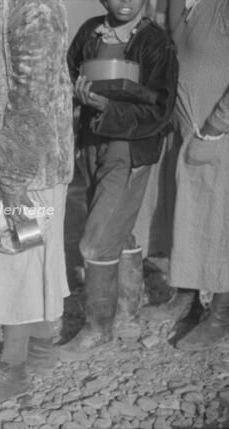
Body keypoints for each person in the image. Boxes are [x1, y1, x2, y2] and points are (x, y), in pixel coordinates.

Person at [0, 0, 73, 403]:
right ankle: (39, 347)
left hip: (20, 171)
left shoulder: (33, 7)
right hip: (7, 166)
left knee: (15, 268)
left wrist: (15, 178)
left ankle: (13, 368)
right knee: (26, 262)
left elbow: (32, 95)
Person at [58, 0, 178, 360]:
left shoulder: (156, 43)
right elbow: (64, 76)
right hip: (93, 141)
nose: (124, 1)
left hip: (131, 148)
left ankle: (98, 328)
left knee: (96, 240)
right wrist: (79, 98)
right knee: (118, 228)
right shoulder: (90, 33)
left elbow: (160, 108)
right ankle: (128, 311)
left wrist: (109, 106)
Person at [162, 0, 229, 351]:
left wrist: (217, 126)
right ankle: (188, 297)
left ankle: (220, 315)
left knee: (222, 224)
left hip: (218, 134)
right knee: (192, 217)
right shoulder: (178, 3)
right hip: (188, 133)